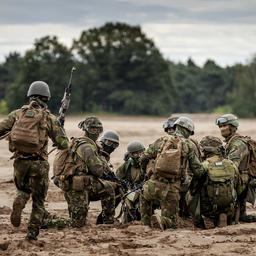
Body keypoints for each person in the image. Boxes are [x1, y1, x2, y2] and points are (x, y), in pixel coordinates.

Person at [0, 81, 69, 241]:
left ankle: (20, 199)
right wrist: (60, 128)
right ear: (46, 98)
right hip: (39, 164)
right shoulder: (49, 118)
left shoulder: (17, 114)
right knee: (38, 201)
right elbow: (63, 144)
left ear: (30, 95)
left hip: (20, 162)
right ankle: (31, 235)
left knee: (23, 189)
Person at [45, 116, 116, 228]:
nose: (96, 132)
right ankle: (45, 221)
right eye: (93, 129)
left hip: (75, 184)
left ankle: (108, 221)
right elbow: (97, 170)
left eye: (98, 129)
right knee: (77, 224)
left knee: (109, 189)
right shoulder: (87, 147)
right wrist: (104, 163)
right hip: (76, 186)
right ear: (86, 129)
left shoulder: (78, 142)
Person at [140, 116, 205, 230]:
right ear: (188, 131)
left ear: (176, 127)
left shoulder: (161, 140)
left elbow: (144, 158)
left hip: (152, 184)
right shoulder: (188, 145)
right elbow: (197, 170)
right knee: (172, 224)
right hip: (172, 188)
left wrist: (145, 173)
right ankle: (162, 221)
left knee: (144, 199)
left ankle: (145, 224)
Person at [188, 136, 239, 228]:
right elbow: (238, 186)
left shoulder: (205, 165)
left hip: (209, 208)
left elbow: (193, 188)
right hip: (229, 207)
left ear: (205, 151)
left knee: (190, 196)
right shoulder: (231, 164)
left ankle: (199, 224)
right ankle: (230, 219)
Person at [216, 114, 256, 222]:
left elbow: (231, 166)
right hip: (241, 178)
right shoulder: (231, 142)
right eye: (220, 126)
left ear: (233, 127)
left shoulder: (237, 144)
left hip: (241, 180)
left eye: (224, 126)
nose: (222, 129)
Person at [116, 140, 146, 222]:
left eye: (140, 153)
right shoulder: (127, 164)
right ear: (130, 154)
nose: (138, 155)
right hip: (130, 192)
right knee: (128, 212)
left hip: (143, 191)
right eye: (135, 153)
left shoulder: (147, 164)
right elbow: (118, 177)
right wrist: (125, 187)